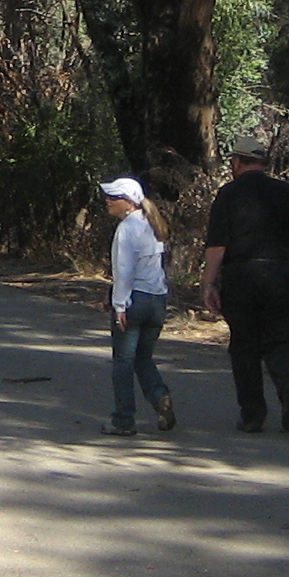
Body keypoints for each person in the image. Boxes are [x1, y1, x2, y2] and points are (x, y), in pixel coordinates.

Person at [200, 135, 289, 432]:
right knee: (281, 339)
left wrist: (209, 283)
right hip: (282, 273)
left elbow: (217, 245)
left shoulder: (228, 194)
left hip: (242, 275)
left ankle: (253, 414)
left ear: (237, 162)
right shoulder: (286, 192)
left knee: (244, 344)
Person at [96, 176, 176, 435]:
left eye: (114, 197)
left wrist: (119, 305)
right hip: (156, 300)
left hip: (134, 300)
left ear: (129, 202)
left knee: (123, 361)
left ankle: (123, 420)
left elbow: (124, 270)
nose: (108, 201)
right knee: (143, 357)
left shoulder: (127, 228)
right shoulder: (151, 224)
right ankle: (159, 396)